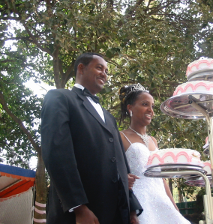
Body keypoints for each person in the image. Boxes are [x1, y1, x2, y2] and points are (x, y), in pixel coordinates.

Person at [41, 53, 143, 224]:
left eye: (107, 71)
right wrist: (79, 208)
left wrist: (131, 209)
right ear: (81, 68)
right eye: (99, 67)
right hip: (78, 215)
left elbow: (120, 165)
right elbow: (56, 154)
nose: (104, 73)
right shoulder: (60, 98)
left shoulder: (109, 117)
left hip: (116, 214)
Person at [118, 83, 191, 224]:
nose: (150, 110)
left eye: (152, 106)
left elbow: (161, 179)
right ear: (130, 108)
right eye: (145, 104)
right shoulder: (120, 137)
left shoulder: (153, 141)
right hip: (140, 202)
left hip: (161, 200)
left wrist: (174, 207)